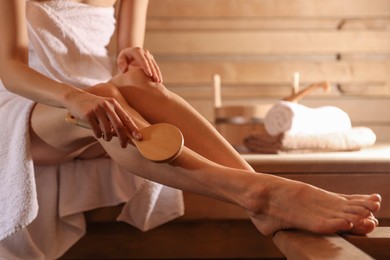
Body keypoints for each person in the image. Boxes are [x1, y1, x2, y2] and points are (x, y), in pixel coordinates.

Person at [0, 0, 382, 257]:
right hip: (33, 110)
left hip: (106, 101)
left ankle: (262, 196)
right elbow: (11, 69)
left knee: (136, 87)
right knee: (108, 96)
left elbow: (127, 62)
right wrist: (73, 98)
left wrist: (131, 57)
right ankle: (263, 193)